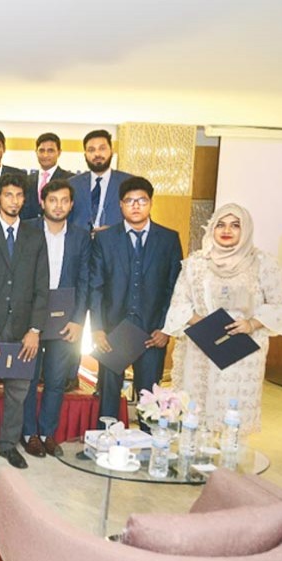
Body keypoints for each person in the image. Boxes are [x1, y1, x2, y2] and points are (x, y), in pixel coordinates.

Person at [163, 203, 282, 435]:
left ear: (246, 230)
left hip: (242, 351)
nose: (227, 230)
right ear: (211, 228)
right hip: (201, 346)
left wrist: (251, 324)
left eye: (235, 225)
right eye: (220, 224)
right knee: (196, 412)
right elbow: (179, 304)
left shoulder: (264, 263)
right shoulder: (196, 263)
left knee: (231, 415)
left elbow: (280, 306)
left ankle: (227, 465)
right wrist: (202, 323)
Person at [0, 172, 49, 469]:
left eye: (18, 196)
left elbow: (42, 286)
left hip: (23, 330)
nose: (14, 201)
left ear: (24, 200)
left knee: (18, 392)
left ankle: (7, 444)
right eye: (8, 195)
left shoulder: (34, 235)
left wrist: (35, 329)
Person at [90, 177, 182, 422]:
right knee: (108, 395)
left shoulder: (169, 239)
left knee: (150, 397)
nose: (136, 206)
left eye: (142, 200)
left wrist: (166, 328)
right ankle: (105, 446)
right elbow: (96, 287)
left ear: (150, 203)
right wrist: (97, 329)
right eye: (129, 201)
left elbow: (175, 289)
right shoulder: (105, 239)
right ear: (121, 205)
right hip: (114, 331)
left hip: (153, 333)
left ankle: (149, 450)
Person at [21, 180, 90, 458]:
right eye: (53, 200)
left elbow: (85, 280)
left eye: (64, 201)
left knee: (56, 380)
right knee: (26, 378)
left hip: (65, 321)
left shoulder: (81, 236)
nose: (58, 205)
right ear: (43, 202)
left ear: (71, 205)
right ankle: (28, 433)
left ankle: (48, 432)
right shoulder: (27, 230)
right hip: (30, 319)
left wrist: (78, 320)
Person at [68, 130, 133, 231]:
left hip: (116, 243)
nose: (97, 154)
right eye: (91, 150)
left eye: (102, 148)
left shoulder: (129, 182)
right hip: (81, 243)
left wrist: (114, 231)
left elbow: (140, 219)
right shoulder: (72, 184)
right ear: (85, 154)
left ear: (111, 150)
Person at [21, 132, 74, 221]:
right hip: (29, 231)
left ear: (59, 152)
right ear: (36, 152)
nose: (45, 155)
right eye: (41, 150)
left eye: (50, 151)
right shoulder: (26, 180)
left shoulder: (70, 180)